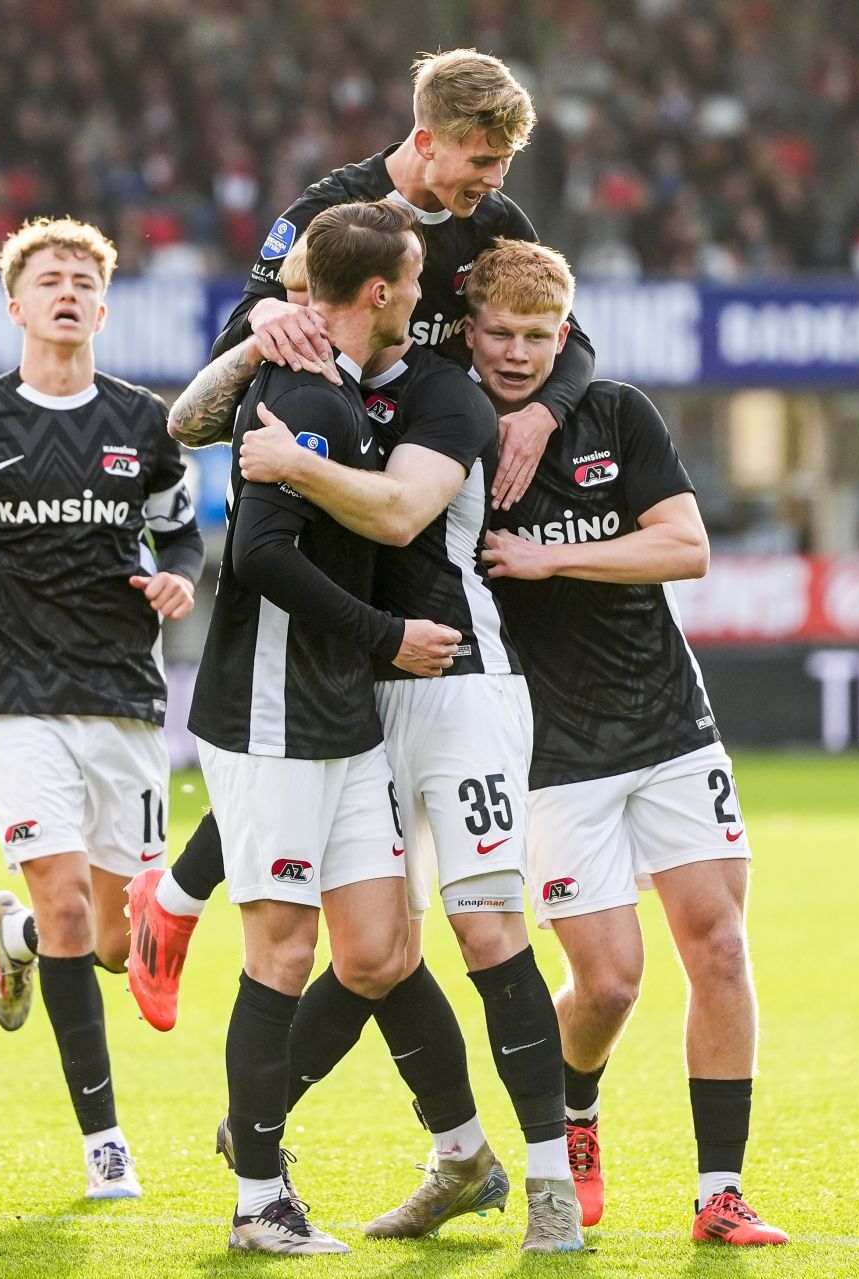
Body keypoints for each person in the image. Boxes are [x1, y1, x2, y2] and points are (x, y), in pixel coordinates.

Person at [129, 44, 593, 1028]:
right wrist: (268, 320)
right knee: (296, 750)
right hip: (326, 499)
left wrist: (544, 410)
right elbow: (233, 344)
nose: (493, 182)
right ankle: (175, 904)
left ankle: (174, 900)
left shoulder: (492, 223)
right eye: (480, 159)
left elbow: (566, 331)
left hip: (414, 508)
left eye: (504, 163)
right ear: (426, 140)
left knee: (339, 767)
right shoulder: (327, 211)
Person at [227, 326, 581, 1250]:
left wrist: (293, 466)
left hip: (462, 687)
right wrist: (258, 343)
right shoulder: (311, 384)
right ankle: (457, 1156)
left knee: (490, 931)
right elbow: (190, 417)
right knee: (374, 949)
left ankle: (551, 1183)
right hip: (358, 690)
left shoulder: (445, 395)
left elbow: (396, 515)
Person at [468, 238, 788, 1247]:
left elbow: (685, 546)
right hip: (553, 748)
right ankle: (576, 1111)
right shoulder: (453, 436)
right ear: (468, 334)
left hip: (669, 721)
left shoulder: (618, 413)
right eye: (500, 334)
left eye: (537, 335)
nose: (518, 353)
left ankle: (719, 1191)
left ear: (564, 336)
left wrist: (550, 559)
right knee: (608, 981)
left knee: (722, 947)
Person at [0, 217, 202, 1201]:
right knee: (67, 904)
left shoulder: (146, 424)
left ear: (101, 310)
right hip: (18, 698)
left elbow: (182, 537)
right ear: (15, 306)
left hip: (126, 699)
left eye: (81, 281)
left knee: (112, 942)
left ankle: (11, 939)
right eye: (48, 279)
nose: (65, 291)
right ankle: (105, 1144)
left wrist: (178, 582)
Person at [189, 199, 461, 1254]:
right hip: (270, 707)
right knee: (282, 949)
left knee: (381, 946)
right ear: (381, 291)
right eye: (418, 274)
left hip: (336, 709)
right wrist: (384, 632)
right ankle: (259, 1195)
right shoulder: (303, 392)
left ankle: (458, 1148)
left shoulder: (334, 391)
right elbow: (255, 554)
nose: (427, 292)